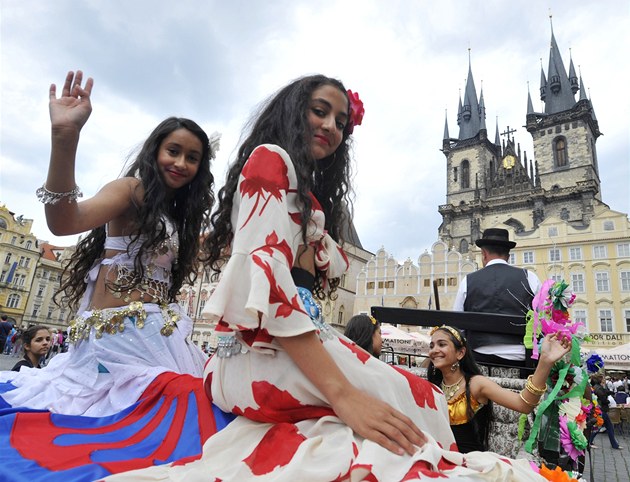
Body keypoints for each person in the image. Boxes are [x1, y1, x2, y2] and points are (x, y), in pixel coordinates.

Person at [103, 75, 545, 481]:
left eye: (340, 121)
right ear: (293, 111)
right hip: (261, 355)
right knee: (412, 400)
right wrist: (343, 396)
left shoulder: (304, 192)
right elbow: (273, 290)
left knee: (412, 394)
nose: (332, 126)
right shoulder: (270, 161)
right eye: (320, 111)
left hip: (285, 347)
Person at [0, 70, 214, 416]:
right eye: (173, 151)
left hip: (162, 342)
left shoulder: (180, 218)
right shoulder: (131, 190)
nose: (181, 163)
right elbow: (64, 221)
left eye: (192, 157)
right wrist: (65, 137)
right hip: (118, 346)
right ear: (154, 151)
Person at [427, 325, 571, 453]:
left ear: (460, 353)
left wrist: (545, 361)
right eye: (431, 346)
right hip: (436, 460)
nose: (434, 350)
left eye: (441, 344)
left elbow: (524, 404)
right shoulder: (432, 386)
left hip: (468, 467)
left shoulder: (476, 384)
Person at [452, 228, 541, 367]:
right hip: (522, 358)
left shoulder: (468, 281)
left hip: (479, 357)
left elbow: (458, 324)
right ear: (508, 255)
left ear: (484, 254)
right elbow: (543, 317)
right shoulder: (530, 277)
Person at [590, 374, 623, 449]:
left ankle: (615, 445)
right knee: (599, 427)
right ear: (600, 380)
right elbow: (603, 398)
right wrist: (608, 401)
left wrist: (611, 393)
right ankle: (590, 441)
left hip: (601, 409)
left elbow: (605, 392)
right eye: (603, 378)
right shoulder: (598, 388)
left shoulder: (598, 387)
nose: (604, 380)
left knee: (608, 427)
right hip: (602, 409)